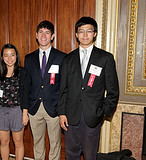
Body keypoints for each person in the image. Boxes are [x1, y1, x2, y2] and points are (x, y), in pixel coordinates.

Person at [58, 16, 119, 160]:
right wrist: (61, 113)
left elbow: (113, 91)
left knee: (90, 155)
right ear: (76, 35)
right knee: (70, 154)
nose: (85, 35)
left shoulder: (105, 58)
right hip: (70, 116)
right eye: (81, 31)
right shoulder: (68, 59)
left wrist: (102, 112)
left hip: (92, 116)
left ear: (95, 33)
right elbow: (63, 89)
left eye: (89, 31)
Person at [24, 20, 66, 160]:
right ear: (36, 35)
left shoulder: (61, 57)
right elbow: (26, 85)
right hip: (34, 108)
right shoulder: (29, 58)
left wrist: (62, 109)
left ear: (52, 36)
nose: (43, 36)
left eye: (47, 33)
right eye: (41, 32)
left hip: (53, 108)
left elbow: (64, 85)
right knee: (37, 143)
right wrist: (26, 108)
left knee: (55, 144)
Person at [0, 44, 29, 160]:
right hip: (1, 111)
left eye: (12, 55)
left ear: (16, 56)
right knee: (4, 142)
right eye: (6, 55)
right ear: (2, 58)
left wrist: (25, 113)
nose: (9, 58)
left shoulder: (23, 72)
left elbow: (25, 94)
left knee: (18, 142)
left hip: (17, 111)